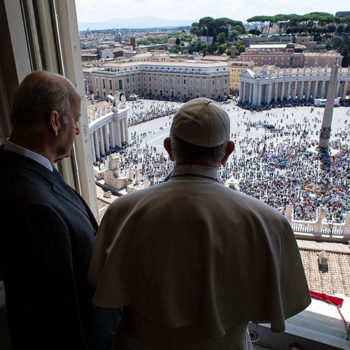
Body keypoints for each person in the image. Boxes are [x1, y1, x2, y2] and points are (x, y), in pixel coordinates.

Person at [88, 98, 311, 350]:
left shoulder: (121, 212)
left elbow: (99, 283)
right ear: (227, 152)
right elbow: (285, 304)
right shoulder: (271, 224)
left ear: (169, 148)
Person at [0, 71, 117, 350]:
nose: (77, 130)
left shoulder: (19, 169)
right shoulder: (36, 210)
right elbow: (55, 321)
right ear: (55, 121)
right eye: (75, 120)